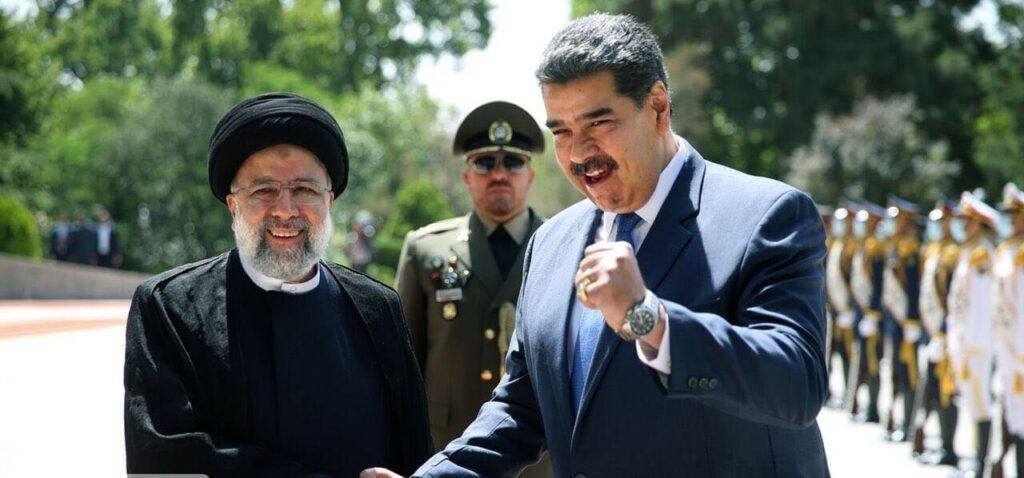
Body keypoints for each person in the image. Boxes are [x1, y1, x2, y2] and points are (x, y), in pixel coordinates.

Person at [365, 13, 829, 478]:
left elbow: (797, 386)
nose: (578, 153)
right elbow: (522, 409)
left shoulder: (766, 216)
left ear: (658, 107)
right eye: (561, 132)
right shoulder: (550, 243)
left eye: (597, 123)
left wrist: (648, 317)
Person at [123, 92, 432, 477]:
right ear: (233, 205)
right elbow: (163, 460)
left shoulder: (377, 307)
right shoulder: (169, 309)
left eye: (304, 190)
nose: (285, 209)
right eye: (263, 190)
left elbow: (415, 451)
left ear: (329, 202)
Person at [394, 101, 552, 477]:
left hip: (539, 458)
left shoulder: (565, 246)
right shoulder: (425, 249)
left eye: (512, 163)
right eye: (484, 163)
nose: (499, 173)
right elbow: (401, 364)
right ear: (467, 176)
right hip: (446, 449)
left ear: (530, 175)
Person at [946, 190, 1000, 477]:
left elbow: (980, 307)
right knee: (971, 401)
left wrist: (970, 345)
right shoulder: (970, 252)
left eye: (965, 222)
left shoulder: (981, 256)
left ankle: (981, 466)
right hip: (966, 342)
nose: (960, 227)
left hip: (977, 344)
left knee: (981, 404)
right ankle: (977, 462)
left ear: (978, 225)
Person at [910, 199, 960, 466]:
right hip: (933, 334)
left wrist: (943, 333)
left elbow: (955, 299)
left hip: (948, 335)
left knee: (946, 391)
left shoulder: (954, 254)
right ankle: (935, 440)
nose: (937, 226)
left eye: (942, 221)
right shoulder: (935, 251)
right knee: (932, 386)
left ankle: (949, 448)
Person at [880, 196, 922, 442]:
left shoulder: (911, 248)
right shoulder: (893, 246)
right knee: (895, 369)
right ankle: (901, 421)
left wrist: (913, 320)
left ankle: (909, 423)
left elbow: (915, 287)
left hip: (908, 321)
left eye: (896, 218)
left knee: (909, 373)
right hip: (894, 319)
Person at [992, 183, 1024, 477]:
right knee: (1012, 415)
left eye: (1012, 215)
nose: (1006, 220)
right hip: (1006, 350)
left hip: (1021, 353)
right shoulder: (1006, 251)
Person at [849, 201, 887, 424]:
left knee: (873, 361)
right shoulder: (864, 245)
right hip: (860, 313)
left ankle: (873, 409)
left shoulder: (877, 248)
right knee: (862, 359)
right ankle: (865, 405)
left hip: (872, 316)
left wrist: (872, 313)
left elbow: (879, 283)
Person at [826, 203, 858, 411]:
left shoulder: (851, 248)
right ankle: (827, 392)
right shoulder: (834, 244)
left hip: (847, 311)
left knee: (847, 354)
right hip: (832, 309)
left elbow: (854, 281)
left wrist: (850, 308)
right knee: (829, 351)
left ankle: (849, 394)